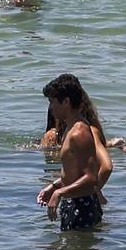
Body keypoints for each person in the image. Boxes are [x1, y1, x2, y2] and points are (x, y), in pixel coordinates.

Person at [38, 74, 112, 230]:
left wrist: (59, 193)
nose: (51, 108)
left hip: (82, 206)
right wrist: (53, 186)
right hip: (74, 203)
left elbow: (90, 178)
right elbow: (74, 174)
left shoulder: (79, 133)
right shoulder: (69, 129)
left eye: (52, 102)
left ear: (66, 102)